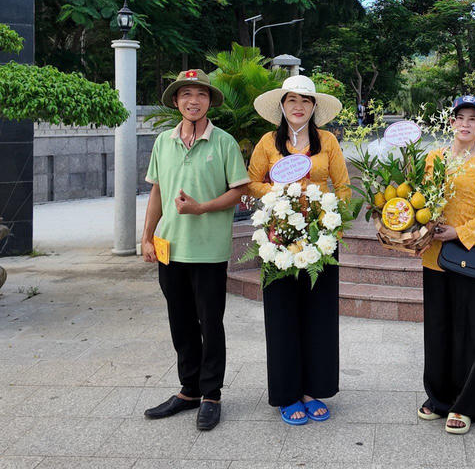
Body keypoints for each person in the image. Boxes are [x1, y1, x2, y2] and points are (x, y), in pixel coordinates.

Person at [141, 69, 250, 432]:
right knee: (180, 321)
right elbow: (157, 192)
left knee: (210, 322)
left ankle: (211, 394)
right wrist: (146, 237)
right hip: (169, 247)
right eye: (186, 94)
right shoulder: (162, 142)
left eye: (200, 94)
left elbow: (239, 191)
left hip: (208, 251)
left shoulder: (224, 143)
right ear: (176, 101)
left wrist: (201, 207)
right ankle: (188, 390)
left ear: (209, 102)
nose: (193, 100)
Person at [247, 74, 351, 426]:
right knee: (281, 316)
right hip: (278, 237)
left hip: (320, 240)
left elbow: (345, 187)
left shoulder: (329, 142)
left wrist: (330, 215)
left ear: (314, 107)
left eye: (305, 101)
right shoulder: (267, 143)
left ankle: (313, 389)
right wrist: (281, 193)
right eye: (292, 100)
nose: (298, 106)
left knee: (318, 315)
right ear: (282, 105)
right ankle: (287, 393)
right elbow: (251, 183)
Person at [416, 95, 475, 435]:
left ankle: (465, 405)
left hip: (467, 257)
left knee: (468, 332)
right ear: (451, 122)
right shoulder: (433, 157)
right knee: (436, 329)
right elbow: (419, 195)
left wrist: (460, 232)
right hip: (433, 257)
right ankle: (438, 398)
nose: (465, 124)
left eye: (473, 119)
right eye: (459, 118)